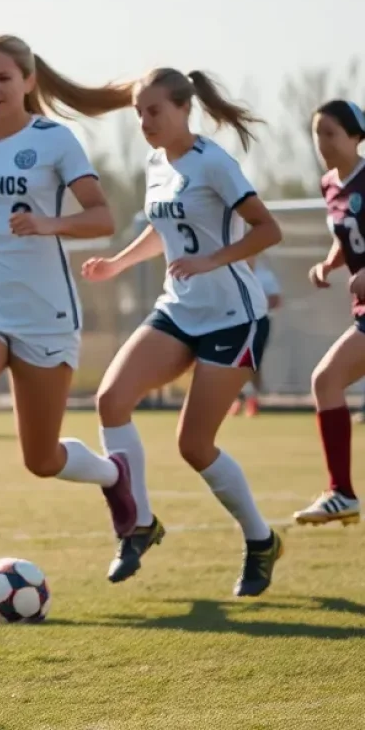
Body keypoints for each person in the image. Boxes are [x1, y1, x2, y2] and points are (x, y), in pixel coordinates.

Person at [0, 34, 137, 601]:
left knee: (41, 459)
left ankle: (115, 475)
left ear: (27, 82)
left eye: (3, 79)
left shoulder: (54, 141)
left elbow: (103, 217)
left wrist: (49, 224)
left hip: (44, 314)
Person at [82, 68, 283, 597]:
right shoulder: (154, 163)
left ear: (182, 110)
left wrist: (212, 259)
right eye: (139, 113)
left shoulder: (214, 162)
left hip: (234, 318)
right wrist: (118, 265)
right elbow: (162, 228)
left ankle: (261, 541)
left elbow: (269, 228)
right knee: (110, 399)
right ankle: (140, 524)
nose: (145, 122)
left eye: (155, 111)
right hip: (178, 310)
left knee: (194, 445)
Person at [292, 99, 365, 526]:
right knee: (327, 381)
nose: (322, 143)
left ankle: (341, 491)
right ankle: (341, 492)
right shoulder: (329, 184)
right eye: (317, 134)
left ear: (357, 136)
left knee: (325, 379)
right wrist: (329, 263)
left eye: (331, 133)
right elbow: (347, 235)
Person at [229, 255, 281, 416]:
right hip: (234, 322)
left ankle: (253, 400)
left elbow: (276, 300)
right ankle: (237, 399)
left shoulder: (264, 275)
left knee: (252, 362)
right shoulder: (231, 273)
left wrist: (256, 303)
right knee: (231, 362)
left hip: (259, 322)